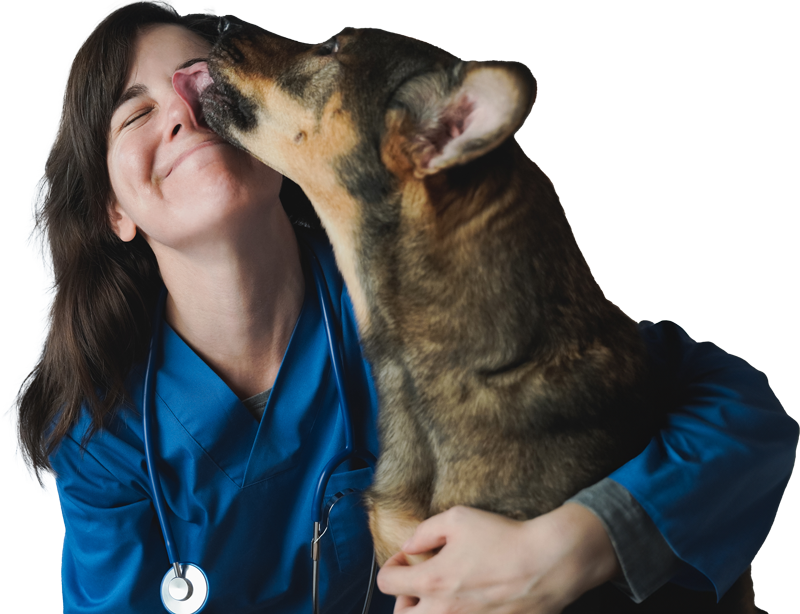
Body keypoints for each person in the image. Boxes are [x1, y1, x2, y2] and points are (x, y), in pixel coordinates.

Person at [15, 2, 797, 613]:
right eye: (134, 113)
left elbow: (740, 420)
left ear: (269, 137)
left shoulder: (420, 314)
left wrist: (568, 550)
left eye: (198, 83)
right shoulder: (104, 430)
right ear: (114, 212)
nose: (182, 109)